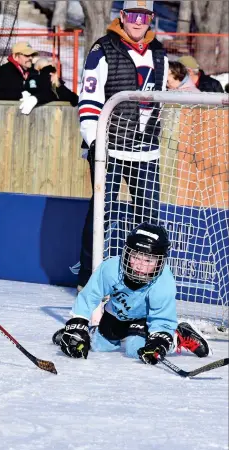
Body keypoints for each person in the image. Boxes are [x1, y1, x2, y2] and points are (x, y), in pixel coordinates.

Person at [75, 0, 168, 292]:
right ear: (123, 16)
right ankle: (89, 280)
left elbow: (159, 97)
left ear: (151, 19)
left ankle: (142, 281)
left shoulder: (159, 51)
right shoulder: (102, 50)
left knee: (148, 216)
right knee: (103, 214)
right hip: (109, 148)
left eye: (145, 16)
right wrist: (94, 143)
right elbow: (89, 101)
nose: (138, 22)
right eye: (133, 15)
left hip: (145, 150)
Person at [53, 222, 211, 363]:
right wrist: (78, 324)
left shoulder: (163, 281)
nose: (140, 266)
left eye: (148, 261)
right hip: (115, 315)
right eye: (135, 257)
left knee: (136, 350)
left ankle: (178, 336)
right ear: (127, 253)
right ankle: (92, 333)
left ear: (160, 261)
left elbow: (161, 318)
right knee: (99, 347)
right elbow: (89, 297)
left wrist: (160, 339)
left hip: (144, 320)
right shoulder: (111, 269)